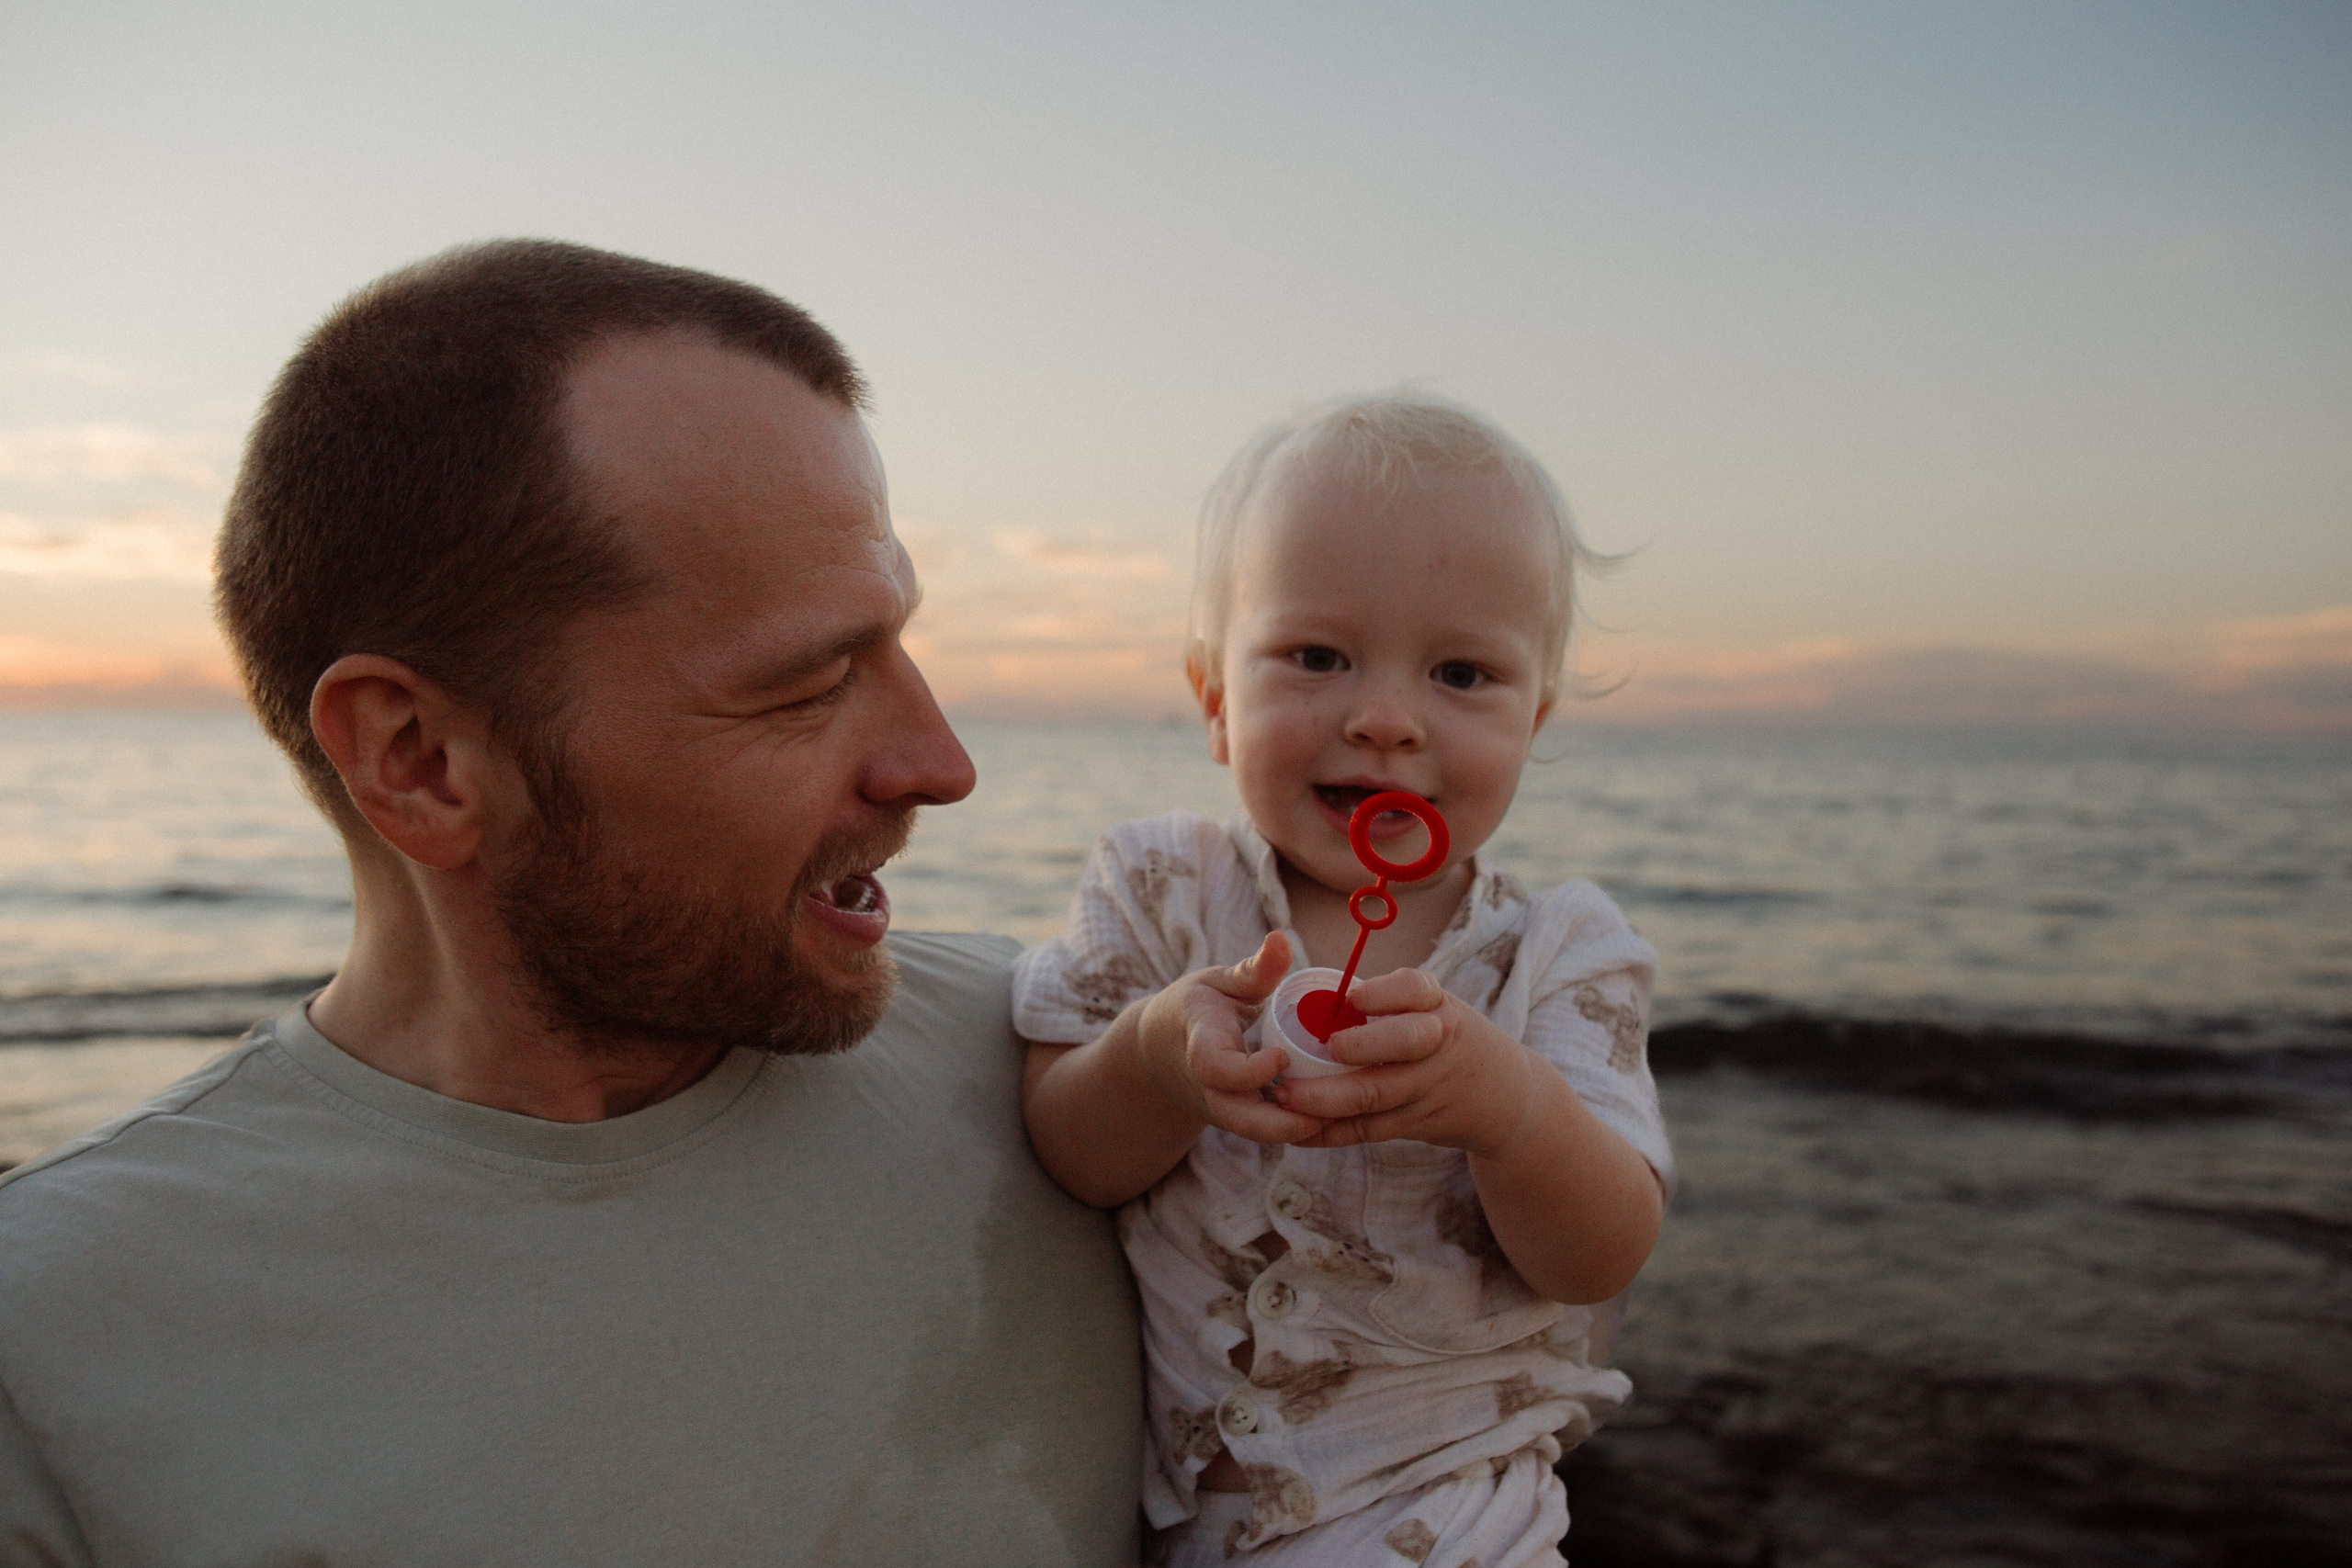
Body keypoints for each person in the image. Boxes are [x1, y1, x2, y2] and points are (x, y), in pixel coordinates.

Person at [0, 242, 1141, 1565]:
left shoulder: (1089, 1085)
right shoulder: (57, 1342)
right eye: (806, 682)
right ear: (420, 761)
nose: (941, 762)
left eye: (895, 637)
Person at [1015, 395, 1673, 1567]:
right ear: (1216, 697)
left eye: (1462, 674)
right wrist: (1157, 1058)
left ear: (1534, 721)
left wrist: (1510, 1110)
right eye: (1316, 657)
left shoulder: (1561, 952)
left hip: (1455, 1513)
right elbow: (1069, 1149)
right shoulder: (1160, 885)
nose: (1383, 720)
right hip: (1182, 1514)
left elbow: (1600, 1253)